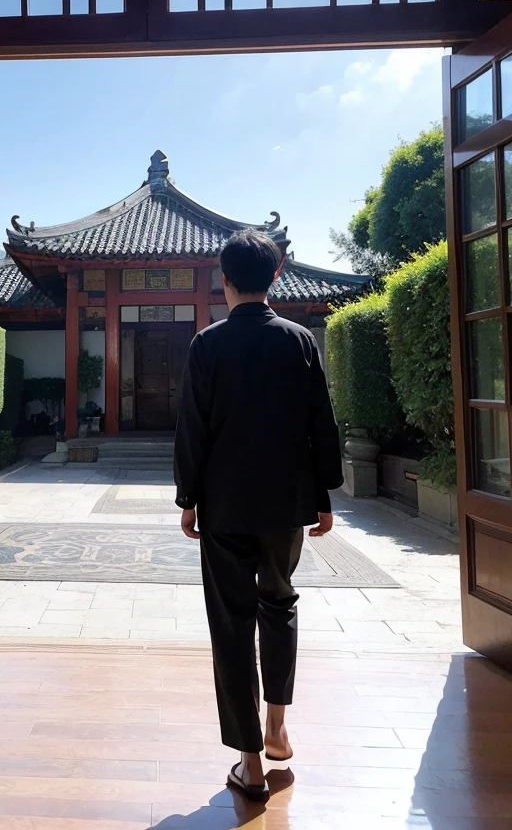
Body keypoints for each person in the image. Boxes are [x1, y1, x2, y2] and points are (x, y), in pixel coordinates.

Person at [173, 228, 344, 801]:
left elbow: (192, 428)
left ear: (224, 281)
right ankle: (277, 727)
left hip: (223, 503)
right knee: (279, 602)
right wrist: (324, 495)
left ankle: (248, 763)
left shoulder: (207, 344)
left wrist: (187, 498)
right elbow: (322, 421)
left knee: (231, 623)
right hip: (285, 503)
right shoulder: (299, 341)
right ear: (276, 276)